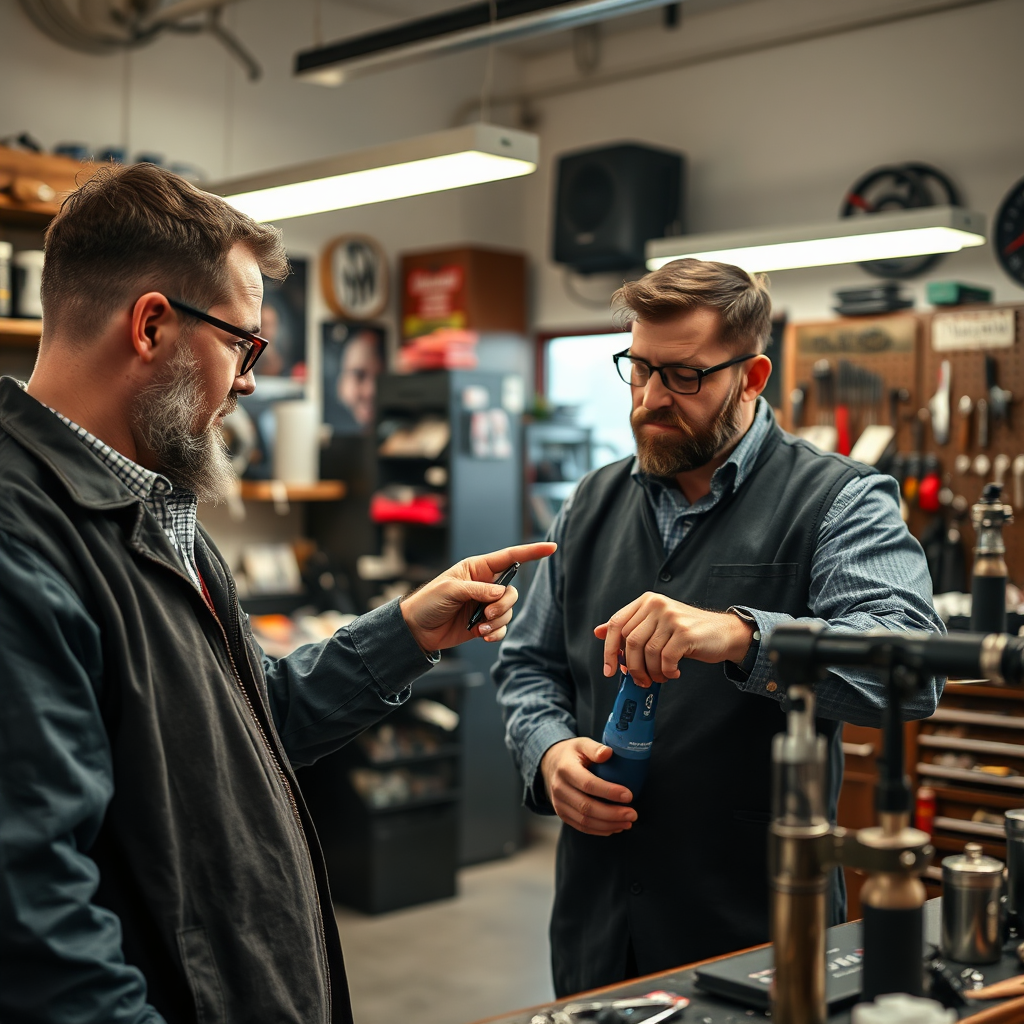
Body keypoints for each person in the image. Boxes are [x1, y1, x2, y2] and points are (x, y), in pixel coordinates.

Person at [0, 162, 555, 1024]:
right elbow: (33, 925)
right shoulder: (20, 541)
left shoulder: (151, 511)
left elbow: (254, 728)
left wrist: (407, 630)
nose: (251, 381)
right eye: (242, 344)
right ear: (152, 325)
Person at [494, 258, 944, 997]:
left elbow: (911, 670)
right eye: (637, 370)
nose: (648, 400)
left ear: (753, 375)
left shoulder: (840, 502)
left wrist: (744, 636)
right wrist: (547, 753)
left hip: (759, 931)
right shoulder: (591, 502)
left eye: (684, 377)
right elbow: (528, 664)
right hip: (598, 928)